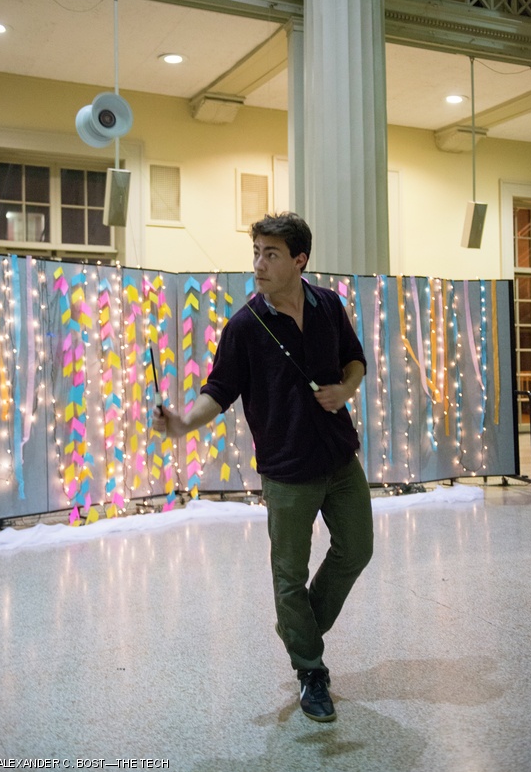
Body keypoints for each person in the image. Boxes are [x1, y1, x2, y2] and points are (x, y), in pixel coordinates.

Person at [153, 212, 374, 723]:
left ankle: (299, 628)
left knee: (357, 549)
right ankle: (310, 670)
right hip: (287, 468)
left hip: (339, 457)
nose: (258, 264)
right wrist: (183, 423)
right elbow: (218, 391)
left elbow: (355, 359)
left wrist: (346, 389)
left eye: (270, 254)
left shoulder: (328, 306)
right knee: (289, 576)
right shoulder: (244, 327)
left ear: (300, 260)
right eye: (255, 253)